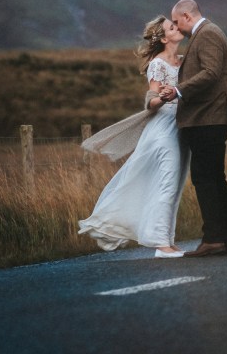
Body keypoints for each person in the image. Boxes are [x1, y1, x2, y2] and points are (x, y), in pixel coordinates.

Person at [78, 15, 190, 259]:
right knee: (167, 182)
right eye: (172, 27)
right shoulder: (157, 65)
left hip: (181, 129)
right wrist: (166, 97)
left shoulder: (184, 61)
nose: (178, 27)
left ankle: (168, 241)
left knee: (176, 183)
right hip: (163, 129)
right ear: (162, 37)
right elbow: (151, 102)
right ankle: (161, 245)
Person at [159, 0, 227, 257]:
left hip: (209, 117)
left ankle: (214, 239)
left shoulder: (207, 34)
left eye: (175, 21)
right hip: (210, 116)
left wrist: (178, 90)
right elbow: (216, 71)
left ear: (186, 16)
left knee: (205, 177)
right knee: (215, 178)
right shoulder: (207, 33)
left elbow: (210, 72)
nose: (176, 27)